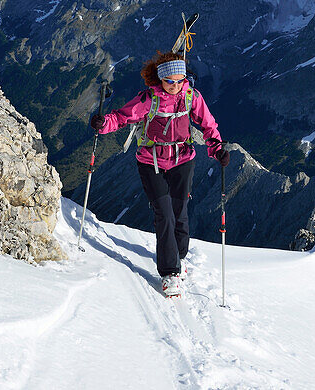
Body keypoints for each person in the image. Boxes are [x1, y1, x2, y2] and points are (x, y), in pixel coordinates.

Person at [91, 51, 229, 297]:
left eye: (180, 80)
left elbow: (208, 125)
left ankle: (180, 256)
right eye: (170, 81)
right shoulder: (148, 99)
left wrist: (217, 149)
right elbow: (122, 118)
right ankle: (169, 272)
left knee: (180, 212)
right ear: (160, 79)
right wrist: (103, 125)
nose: (175, 86)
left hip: (183, 160)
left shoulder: (191, 97)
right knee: (164, 214)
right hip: (150, 161)